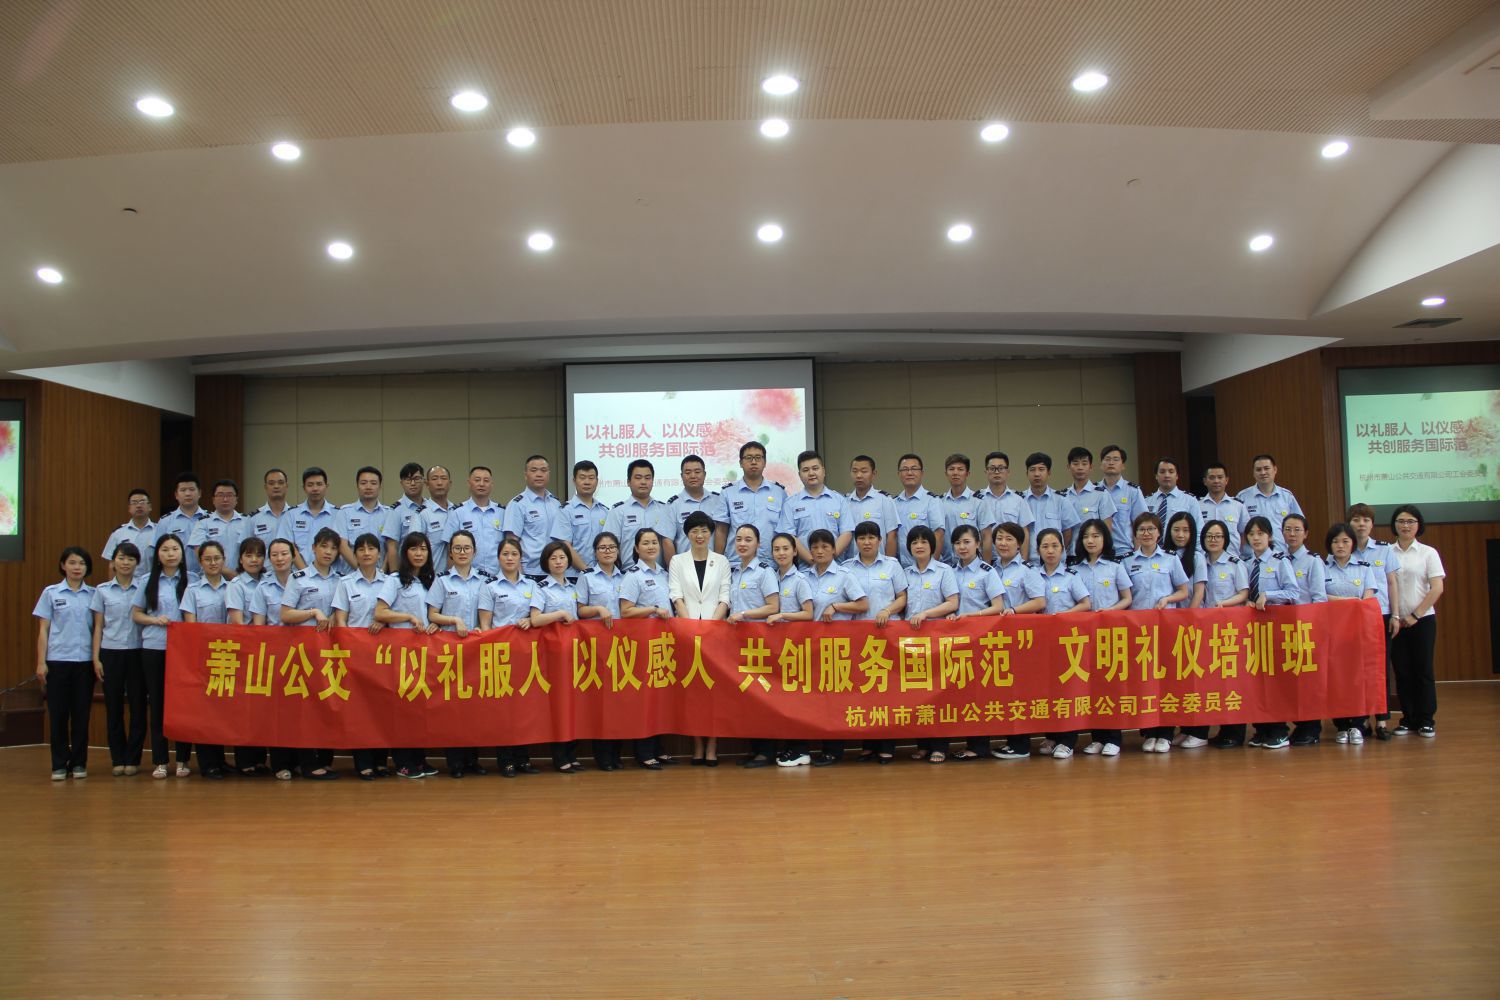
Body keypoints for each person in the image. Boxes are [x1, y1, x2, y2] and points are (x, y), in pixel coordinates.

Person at [790, 528, 868, 768]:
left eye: (825, 546)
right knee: (806, 700)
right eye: (815, 547)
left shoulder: (844, 575)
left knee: (833, 701)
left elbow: (863, 604)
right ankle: (803, 750)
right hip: (808, 648)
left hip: (836, 648)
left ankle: (833, 751)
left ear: (834, 550)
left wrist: (837, 606)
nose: (820, 551)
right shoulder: (803, 576)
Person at [1171, 518, 1248, 749]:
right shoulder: (1198, 560)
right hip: (1203, 630)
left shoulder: (1235, 563)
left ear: (1226, 539)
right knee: (1203, 682)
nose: (1213, 540)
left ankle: (1233, 733)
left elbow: (1243, 593)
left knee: (1230, 683)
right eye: (1209, 536)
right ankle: (1194, 730)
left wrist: (1223, 605)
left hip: (1228, 630)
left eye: (1218, 536)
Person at [1228, 516, 1301, 751]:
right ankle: (1262, 729)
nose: (1256, 538)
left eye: (1260, 533)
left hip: (1276, 628)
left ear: (1269, 536)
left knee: (1275, 681)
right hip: (1252, 630)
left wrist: (1269, 595)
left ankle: (1279, 731)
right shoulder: (1246, 563)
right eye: (1251, 534)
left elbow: (1294, 592)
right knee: (1255, 680)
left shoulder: (1280, 561)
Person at [428, 528, 493, 777]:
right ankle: (455, 762)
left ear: (474, 552)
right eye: (457, 548)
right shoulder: (442, 580)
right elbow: (432, 614)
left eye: (467, 548)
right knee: (452, 707)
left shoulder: (485, 580)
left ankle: (472, 761)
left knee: (474, 707)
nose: (462, 552)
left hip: (476, 651)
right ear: (450, 553)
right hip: (448, 651)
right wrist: (453, 620)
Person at [1122, 512, 1189, 753]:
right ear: (1135, 534)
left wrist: (1167, 599)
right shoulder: (1127, 562)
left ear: (1159, 533)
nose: (1146, 533)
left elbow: (1184, 591)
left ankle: (1166, 733)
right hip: (1138, 630)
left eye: (1151, 529)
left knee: (1166, 681)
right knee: (1144, 682)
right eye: (1142, 530)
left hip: (1166, 628)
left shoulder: (1170, 560)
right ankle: (1149, 731)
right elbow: (1125, 596)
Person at [279, 527, 342, 779]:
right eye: (323, 546)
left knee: (328, 703)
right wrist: (312, 612)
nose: (328, 552)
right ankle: (307, 763)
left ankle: (324, 760)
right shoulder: (299, 578)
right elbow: (285, 614)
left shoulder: (340, 580)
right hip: (303, 651)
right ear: (313, 548)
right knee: (306, 708)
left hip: (331, 652)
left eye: (333, 548)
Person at [669, 512, 732, 765]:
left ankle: (713, 746)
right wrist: (691, 628)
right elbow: (676, 596)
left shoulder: (722, 561)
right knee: (693, 691)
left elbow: (725, 597)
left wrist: (710, 627)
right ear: (687, 534)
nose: (699, 535)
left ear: (711, 533)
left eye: (704, 530)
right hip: (687, 633)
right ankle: (697, 745)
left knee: (715, 691)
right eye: (694, 531)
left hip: (716, 634)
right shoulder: (677, 561)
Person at [377, 532, 441, 780]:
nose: (419, 553)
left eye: (423, 549)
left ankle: (419, 759)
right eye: (414, 549)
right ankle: (403, 762)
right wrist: (408, 617)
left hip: (425, 652)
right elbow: (380, 612)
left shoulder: (430, 581)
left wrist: (434, 623)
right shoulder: (395, 580)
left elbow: (434, 613)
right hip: (401, 651)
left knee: (420, 708)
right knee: (402, 708)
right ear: (405, 553)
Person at [1071, 519, 1132, 756]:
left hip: (1110, 633)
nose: (1091, 540)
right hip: (1084, 636)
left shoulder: (1115, 567)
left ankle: (1114, 738)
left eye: (1096, 536)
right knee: (1091, 687)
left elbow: (1127, 598)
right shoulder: (1075, 569)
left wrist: (1110, 611)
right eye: (1086, 536)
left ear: (1105, 539)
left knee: (1111, 686)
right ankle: (1097, 737)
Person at [945, 523, 1006, 761]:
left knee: (978, 694)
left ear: (978, 544)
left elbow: (998, 606)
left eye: (967, 542)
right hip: (954, 641)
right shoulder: (949, 571)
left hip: (980, 639)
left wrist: (972, 616)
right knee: (956, 693)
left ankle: (978, 746)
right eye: (957, 543)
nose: (962, 547)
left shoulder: (986, 572)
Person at [35, 546, 97, 781]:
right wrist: (41, 662)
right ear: (63, 565)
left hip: (84, 662)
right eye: (72, 563)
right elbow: (43, 630)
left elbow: (98, 628)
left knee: (81, 715)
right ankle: (59, 764)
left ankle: (79, 763)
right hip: (57, 661)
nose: (77, 567)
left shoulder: (94, 594)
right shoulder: (51, 593)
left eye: (81, 563)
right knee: (59, 715)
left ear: (87, 567)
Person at [527, 539, 588, 773]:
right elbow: (535, 619)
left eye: (562, 557)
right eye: (553, 558)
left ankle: (572, 754)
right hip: (552, 654)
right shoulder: (541, 588)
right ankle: (560, 757)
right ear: (546, 562)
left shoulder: (573, 587)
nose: (559, 562)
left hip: (574, 652)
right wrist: (560, 614)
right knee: (558, 704)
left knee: (574, 703)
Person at [332, 533, 389, 780]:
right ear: (354, 554)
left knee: (382, 709)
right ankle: (363, 763)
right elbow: (340, 619)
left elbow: (394, 612)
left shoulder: (389, 582)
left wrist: (383, 621)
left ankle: (381, 762)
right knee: (360, 710)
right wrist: (348, 647)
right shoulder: (346, 583)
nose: (366, 553)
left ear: (379, 554)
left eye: (371, 549)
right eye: (361, 549)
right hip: (355, 655)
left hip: (383, 655)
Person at [989, 522, 1047, 760]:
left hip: (1022, 639)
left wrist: (1014, 611)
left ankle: (1021, 744)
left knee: (1019, 691)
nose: (1003, 543)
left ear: (1020, 544)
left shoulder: (1027, 570)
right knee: (1003, 691)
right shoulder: (991, 568)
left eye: (1009, 539)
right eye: (999, 539)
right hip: (997, 640)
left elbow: (1039, 601)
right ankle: (1010, 740)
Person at [131, 534, 187, 779]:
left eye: (175, 549)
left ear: (182, 554)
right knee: (158, 704)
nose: (170, 554)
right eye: (165, 550)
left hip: (183, 651)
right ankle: (161, 760)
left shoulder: (192, 580)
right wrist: (155, 620)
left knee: (183, 705)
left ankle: (183, 759)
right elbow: (136, 614)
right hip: (154, 646)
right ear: (157, 555)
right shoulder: (147, 580)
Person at [723, 525, 780, 767]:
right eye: (739, 539)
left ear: (758, 544)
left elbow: (773, 607)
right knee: (747, 696)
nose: (742, 544)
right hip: (738, 643)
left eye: (748, 539)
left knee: (763, 696)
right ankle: (754, 748)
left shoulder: (764, 572)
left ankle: (766, 751)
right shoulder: (734, 572)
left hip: (760, 643)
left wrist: (745, 614)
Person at [618, 528, 675, 769]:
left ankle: (657, 749)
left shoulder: (664, 573)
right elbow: (625, 611)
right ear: (636, 548)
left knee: (659, 697)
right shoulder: (633, 575)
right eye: (645, 543)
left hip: (663, 644)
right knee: (644, 698)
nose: (651, 547)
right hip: (642, 643)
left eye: (654, 543)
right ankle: (643, 752)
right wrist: (652, 609)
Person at [1033, 528, 1090, 758]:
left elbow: (1085, 604)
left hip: (1068, 641)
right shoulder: (1033, 575)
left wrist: (1062, 617)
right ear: (1038, 550)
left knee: (1068, 690)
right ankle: (1052, 735)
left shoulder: (1071, 576)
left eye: (1055, 546)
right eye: (1045, 546)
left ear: (1063, 549)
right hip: (1042, 642)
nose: (1050, 551)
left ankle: (1068, 740)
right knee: (1047, 690)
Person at [1389, 504, 1444, 738]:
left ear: (1418, 525)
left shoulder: (1428, 553)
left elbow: (1437, 588)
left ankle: (1426, 719)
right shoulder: (1386, 552)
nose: (1405, 525)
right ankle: (1408, 718)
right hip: (1395, 622)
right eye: (1401, 521)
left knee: (1423, 670)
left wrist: (1415, 615)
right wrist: (1398, 617)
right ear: (1394, 525)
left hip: (1423, 620)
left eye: (1410, 521)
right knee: (1402, 671)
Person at [575, 531, 628, 771]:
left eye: (611, 547)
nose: (607, 551)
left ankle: (617, 754)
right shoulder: (586, 577)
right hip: (596, 645)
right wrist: (598, 609)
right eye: (602, 548)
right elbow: (580, 611)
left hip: (623, 645)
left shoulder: (626, 576)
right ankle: (603, 756)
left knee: (619, 700)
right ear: (595, 552)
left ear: (618, 551)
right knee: (600, 700)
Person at [1347, 502, 1401, 738]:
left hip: (1381, 615)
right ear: (1349, 523)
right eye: (1356, 520)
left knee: (1380, 669)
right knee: (1355, 670)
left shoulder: (1384, 550)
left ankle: (1381, 721)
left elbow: (1392, 583)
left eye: (1366, 520)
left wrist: (1396, 615)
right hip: (1350, 619)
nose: (1361, 524)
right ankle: (1360, 720)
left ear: (1372, 524)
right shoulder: (1342, 548)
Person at [91, 541, 144, 776]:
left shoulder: (142, 588)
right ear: (113, 562)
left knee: (138, 707)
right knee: (113, 708)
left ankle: (133, 759)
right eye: (121, 558)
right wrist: (96, 658)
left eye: (131, 559)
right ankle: (117, 758)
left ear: (137, 563)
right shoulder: (102, 590)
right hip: (110, 652)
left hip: (137, 651)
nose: (125, 563)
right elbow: (98, 626)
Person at [180, 539, 232, 778]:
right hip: (202, 656)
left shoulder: (231, 587)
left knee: (222, 711)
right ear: (200, 562)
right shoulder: (192, 590)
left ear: (224, 560)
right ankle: (207, 763)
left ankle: (220, 760)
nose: (213, 563)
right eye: (208, 559)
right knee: (204, 711)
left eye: (217, 558)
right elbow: (190, 627)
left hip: (227, 655)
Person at [1323, 522, 1377, 744]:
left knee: (1358, 677)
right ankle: (1342, 725)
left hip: (1357, 631)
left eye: (1345, 541)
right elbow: (1320, 595)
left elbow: (1368, 598)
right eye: (1335, 541)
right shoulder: (1322, 567)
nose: (1340, 545)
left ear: (1353, 543)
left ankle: (1358, 724)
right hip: (1331, 632)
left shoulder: (1364, 568)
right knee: (1337, 678)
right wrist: (1348, 601)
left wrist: (1352, 603)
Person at [1282, 513, 1331, 747]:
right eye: (1288, 529)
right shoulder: (1278, 559)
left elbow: (1319, 598)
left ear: (1306, 534)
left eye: (1297, 530)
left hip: (1305, 627)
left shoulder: (1313, 561)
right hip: (1283, 628)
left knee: (1308, 680)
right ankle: (1296, 723)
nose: (1292, 534)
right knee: (1289, 679)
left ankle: (1311, 727)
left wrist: (1311, 626)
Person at [224, 536, 270, 775]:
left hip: (265, 652)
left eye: (259, 555)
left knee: (261, 707)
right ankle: (245, 760)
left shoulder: (268, 581)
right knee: (244, 708)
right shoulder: (236, 584)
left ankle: (260, 759)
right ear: (240, 559)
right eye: (249, 555)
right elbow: (237, 621)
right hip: (243, 651)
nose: (254, 560)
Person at [722, 441, 786, 568]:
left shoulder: (779, 492)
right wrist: (719, 563)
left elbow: (785, 530)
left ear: (765, 462)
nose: (753, 462)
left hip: (770, 563)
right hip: (737, 564)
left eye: (758, 457)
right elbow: (721, 531)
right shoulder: (728, 492)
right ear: (740, 463)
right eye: (748, 458)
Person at [504, 454, 568, 578]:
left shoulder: (555, 503)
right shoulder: (517, 504)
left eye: (543, 470)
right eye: (534, 470)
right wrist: (519, 576)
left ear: (548, 474)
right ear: (525, 475)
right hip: (530, 572)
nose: (539, 474)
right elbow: (512, 542)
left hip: (555, 570)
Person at [778, 450, 848, 563]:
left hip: (836, 567)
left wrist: (829, 558)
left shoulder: (840, 500)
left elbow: (846, 532)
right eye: (805, 470)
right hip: (805, 569)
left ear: (823, 471)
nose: (811, 473)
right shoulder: (790, 503)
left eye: (815, 468)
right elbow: (789, 536)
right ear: (799, 475)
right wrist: (812, 560)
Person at [605, 459, 678, 569]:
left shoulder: (664, 510)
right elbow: (610, 546)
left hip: (659, 574)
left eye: (647, 478)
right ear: (628, 482)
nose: (643, 482)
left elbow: (669, 544)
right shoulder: (618, 512)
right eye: (638, 478)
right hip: (628, 573)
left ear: (653, 481)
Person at [1235, 454, 1304, 555]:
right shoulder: (1242, 497)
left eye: (1266, 468)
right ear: (1253, 473)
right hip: (1252, 557)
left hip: (1282, 555)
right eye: (1258, 470)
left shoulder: (1287, 497)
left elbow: (1300, 525)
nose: (1263, 472)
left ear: (1275, 470)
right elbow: (1236, 529)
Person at [445, 466, 506, 577]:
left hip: (498, 578)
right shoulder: (457, 512)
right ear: (469, 483)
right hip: (468, 578)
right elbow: (450, 549)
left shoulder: (502, 513)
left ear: (492, 484)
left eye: (486, 481)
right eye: (477, 480)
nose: (481, 484)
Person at [977, 451, 1034, 563]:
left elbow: (1025, 533)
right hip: (983, 561)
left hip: (1012, 561)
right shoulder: (977, 500)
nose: (996, 472)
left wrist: (1022, 562)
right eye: (992, 468)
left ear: (1008, 472)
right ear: (986, 472)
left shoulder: (1019, 500)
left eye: (1001, 468)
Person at [892, 454, 945, 570]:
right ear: (899, 474)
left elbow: (939, 535)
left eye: (914, 469)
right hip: (900, 569)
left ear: (922, 473)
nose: (909, 473)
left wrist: (931, 568)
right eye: (905, 469)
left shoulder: (932, 501)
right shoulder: (893, 503)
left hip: (925, 568)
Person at [668, 454, 729, 554]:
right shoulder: (673, 505)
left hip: (714, 561)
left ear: (704, 474)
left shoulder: (718, 500)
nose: (693, 476)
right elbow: (668, 541)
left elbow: (723, 531)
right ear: (681, 476)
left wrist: (719, 560)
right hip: (684, 562)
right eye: (688, 472)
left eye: (697, 472)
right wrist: (674, 563)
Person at [842, 455, 898, 561]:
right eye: (854, 471)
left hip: (879, 564)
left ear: (874, 474)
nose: (859, 475)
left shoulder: (884, 500)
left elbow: (892, 536)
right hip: (851, 564)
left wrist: (889, 565)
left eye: (864, 471)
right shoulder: (844, 502)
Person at [1095, 445, 1148, 559]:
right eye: (1107, 459)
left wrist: (1138, 555)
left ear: (1123, 465)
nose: (1111, 463)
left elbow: (1140, 524)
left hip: (1125, 553)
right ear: (1101, 464)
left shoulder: (1133, 491)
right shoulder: (1094, 491)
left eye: (1116, 459)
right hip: (1098, 554)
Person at [561, 460, 611, 580]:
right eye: (582, 478)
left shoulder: (605, 511)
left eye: (591, 478)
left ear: (597, 481)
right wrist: (587, 571)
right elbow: (565, 545)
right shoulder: (565, 510)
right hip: (574, 576)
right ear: (574, 481)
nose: (587, 482)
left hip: (602, 576)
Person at [1022, 452, 1082, 550]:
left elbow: (1068, 532)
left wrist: (1056, 552)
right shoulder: (1020, 501)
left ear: (1049, 472)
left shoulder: (1061, 500)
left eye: (1041, 469)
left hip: (1055, 558)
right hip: (1028, 558)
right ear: (1027, 473)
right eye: (1032, 470)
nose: (1037, 474)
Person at [189, 479, 248, 578]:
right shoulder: (203, 523)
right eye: (220, 495)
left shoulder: (247, 522)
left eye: (229, 495)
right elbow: (200, 553)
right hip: (212, 579)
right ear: (213, 499)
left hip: (243, 579)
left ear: (236, 499)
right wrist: (231, 574)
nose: (225, 499)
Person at [1060, 447, 1118, 546]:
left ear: (1091, 467)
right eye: (1075, 463)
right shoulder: (1063, 496)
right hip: (1070, 553)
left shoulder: (1101, 494)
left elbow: (1107, 530)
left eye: (1084, 463)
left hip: (1093, 551)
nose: (1080, 467)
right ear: (1068, 467)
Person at [337, 467, 390, 573]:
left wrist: (381, 572)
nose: (368, 487)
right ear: (357, 485)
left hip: (382, 576)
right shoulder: (345, 512)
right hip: (351, 576)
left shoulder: (389, 514)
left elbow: (391, 547)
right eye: (363, 483)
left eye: (373, 483)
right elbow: (342, 545)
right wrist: (361, 571)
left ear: (380, 486)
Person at [157, 472, 208, 579]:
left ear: (200, 493)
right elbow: (156, 552)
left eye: (192, 489)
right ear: (176, 495)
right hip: (175, 578)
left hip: (205, 577)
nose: (188, 494)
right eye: (183, 490)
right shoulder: (165, 522)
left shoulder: (210, 519)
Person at [288, 467, 339, 570]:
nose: (315, 488)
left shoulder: (338, 514)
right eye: (310, 485)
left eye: (319, 484)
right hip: (300, 575)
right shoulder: (291, 514)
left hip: (331, 574)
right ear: (304, 488)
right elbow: (289, 546)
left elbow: (341, 546)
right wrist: (306, 574)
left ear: (326, 486)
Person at [383, 462, 430, 572]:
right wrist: (395, 575)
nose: (412, 483)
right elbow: (392, 547)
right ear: (402, 483)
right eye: (408, 479)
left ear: (424, 481)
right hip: (406, 571)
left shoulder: (430, 507)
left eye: (417, 479)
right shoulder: (396, 510)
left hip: (430, 569)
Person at [938, 453, 983, 564]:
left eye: (960, 469)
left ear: (967, 473)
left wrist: (984, 567)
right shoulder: (939, 502)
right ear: (946, 473)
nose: (955, 473)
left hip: (973, 564)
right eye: (951, 469)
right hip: (946, 564)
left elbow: (986, 536)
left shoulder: (978, 501)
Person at [102, 488, 156, 580]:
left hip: (151, 583)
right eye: (134, 502)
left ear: (150, 506)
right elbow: (112, 565)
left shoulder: (159, 531)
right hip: (126, 584)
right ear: (129, 508)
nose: (138, 505)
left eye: (142, 502)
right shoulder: (118, 533)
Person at [1142, 457, 1202, 537]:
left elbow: (1199, 531)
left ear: (1177, 476)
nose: (1167, 475)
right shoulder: (1146, 501)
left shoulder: (1190, 501)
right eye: (1162, 472)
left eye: (1171, 472)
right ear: (1156, 476)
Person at [1198, 463, 1248, 553]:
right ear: (1205, 481)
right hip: (1205, 558)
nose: (1216, 481)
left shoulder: (1238, 506)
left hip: (1231, 557)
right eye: (1212, 478)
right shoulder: (1197, 505)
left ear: (1226, 480)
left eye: (1220, 477)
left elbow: (1245, 532)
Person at [1162, 511, 1204, 609]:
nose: (1180, 535)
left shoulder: (1197, 557)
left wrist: (1189, 615)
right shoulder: (1162, 556)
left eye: (1186, 530)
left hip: (1190, 613)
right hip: (1166, 612)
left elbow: (1199, 592)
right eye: (1176, 530)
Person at [247, 468, 294, 548]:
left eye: (280, 483)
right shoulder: (254, 518)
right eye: (271, 483)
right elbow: (246, 547)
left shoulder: (295, 516)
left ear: (286, 486)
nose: (276, 486)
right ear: (265, 487)